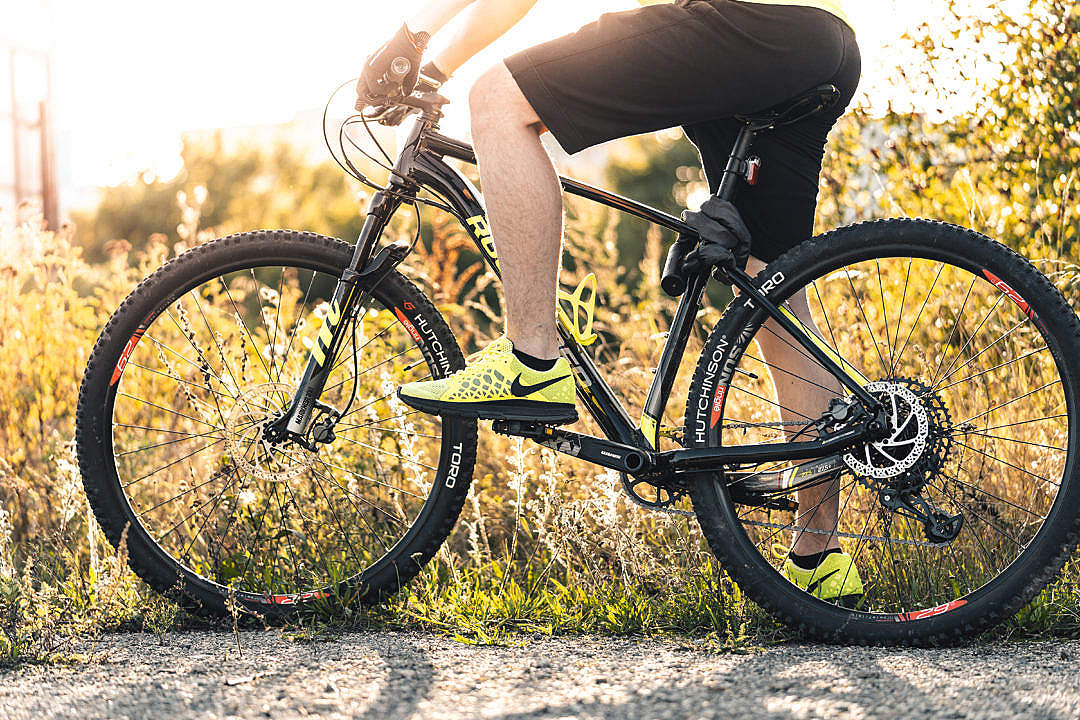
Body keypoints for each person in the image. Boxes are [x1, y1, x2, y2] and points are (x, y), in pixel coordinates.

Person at [359, 0, 863, 602]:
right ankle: (820, 561)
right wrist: (432, 65)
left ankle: (531, 360)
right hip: (813, 44)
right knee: (773, 293)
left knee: (496, 101)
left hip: (739, 28)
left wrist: (416, 43)